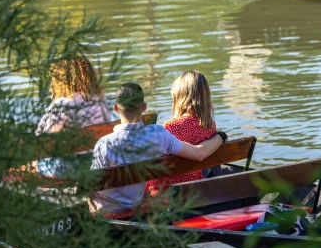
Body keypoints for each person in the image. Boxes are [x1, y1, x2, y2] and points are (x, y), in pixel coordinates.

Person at [89, 82, 227, 215]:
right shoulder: (159, 134)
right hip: (137, 204)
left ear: (115, 108)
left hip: (108, 210)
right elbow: (198, 153)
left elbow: (93, 184)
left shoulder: (104, 144)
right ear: (144, 107)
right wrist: (220, 136)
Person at [145, 71, 218, 196]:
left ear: (179, 97)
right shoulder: (210, 126)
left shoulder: (169, 127)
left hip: (164, 193)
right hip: (193, 188)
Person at [36, 55, 111, 135]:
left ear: (61, 79)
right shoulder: (101, 101)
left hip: (76, 146)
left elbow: (41, 134)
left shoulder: (61, 104)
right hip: (98, 146)